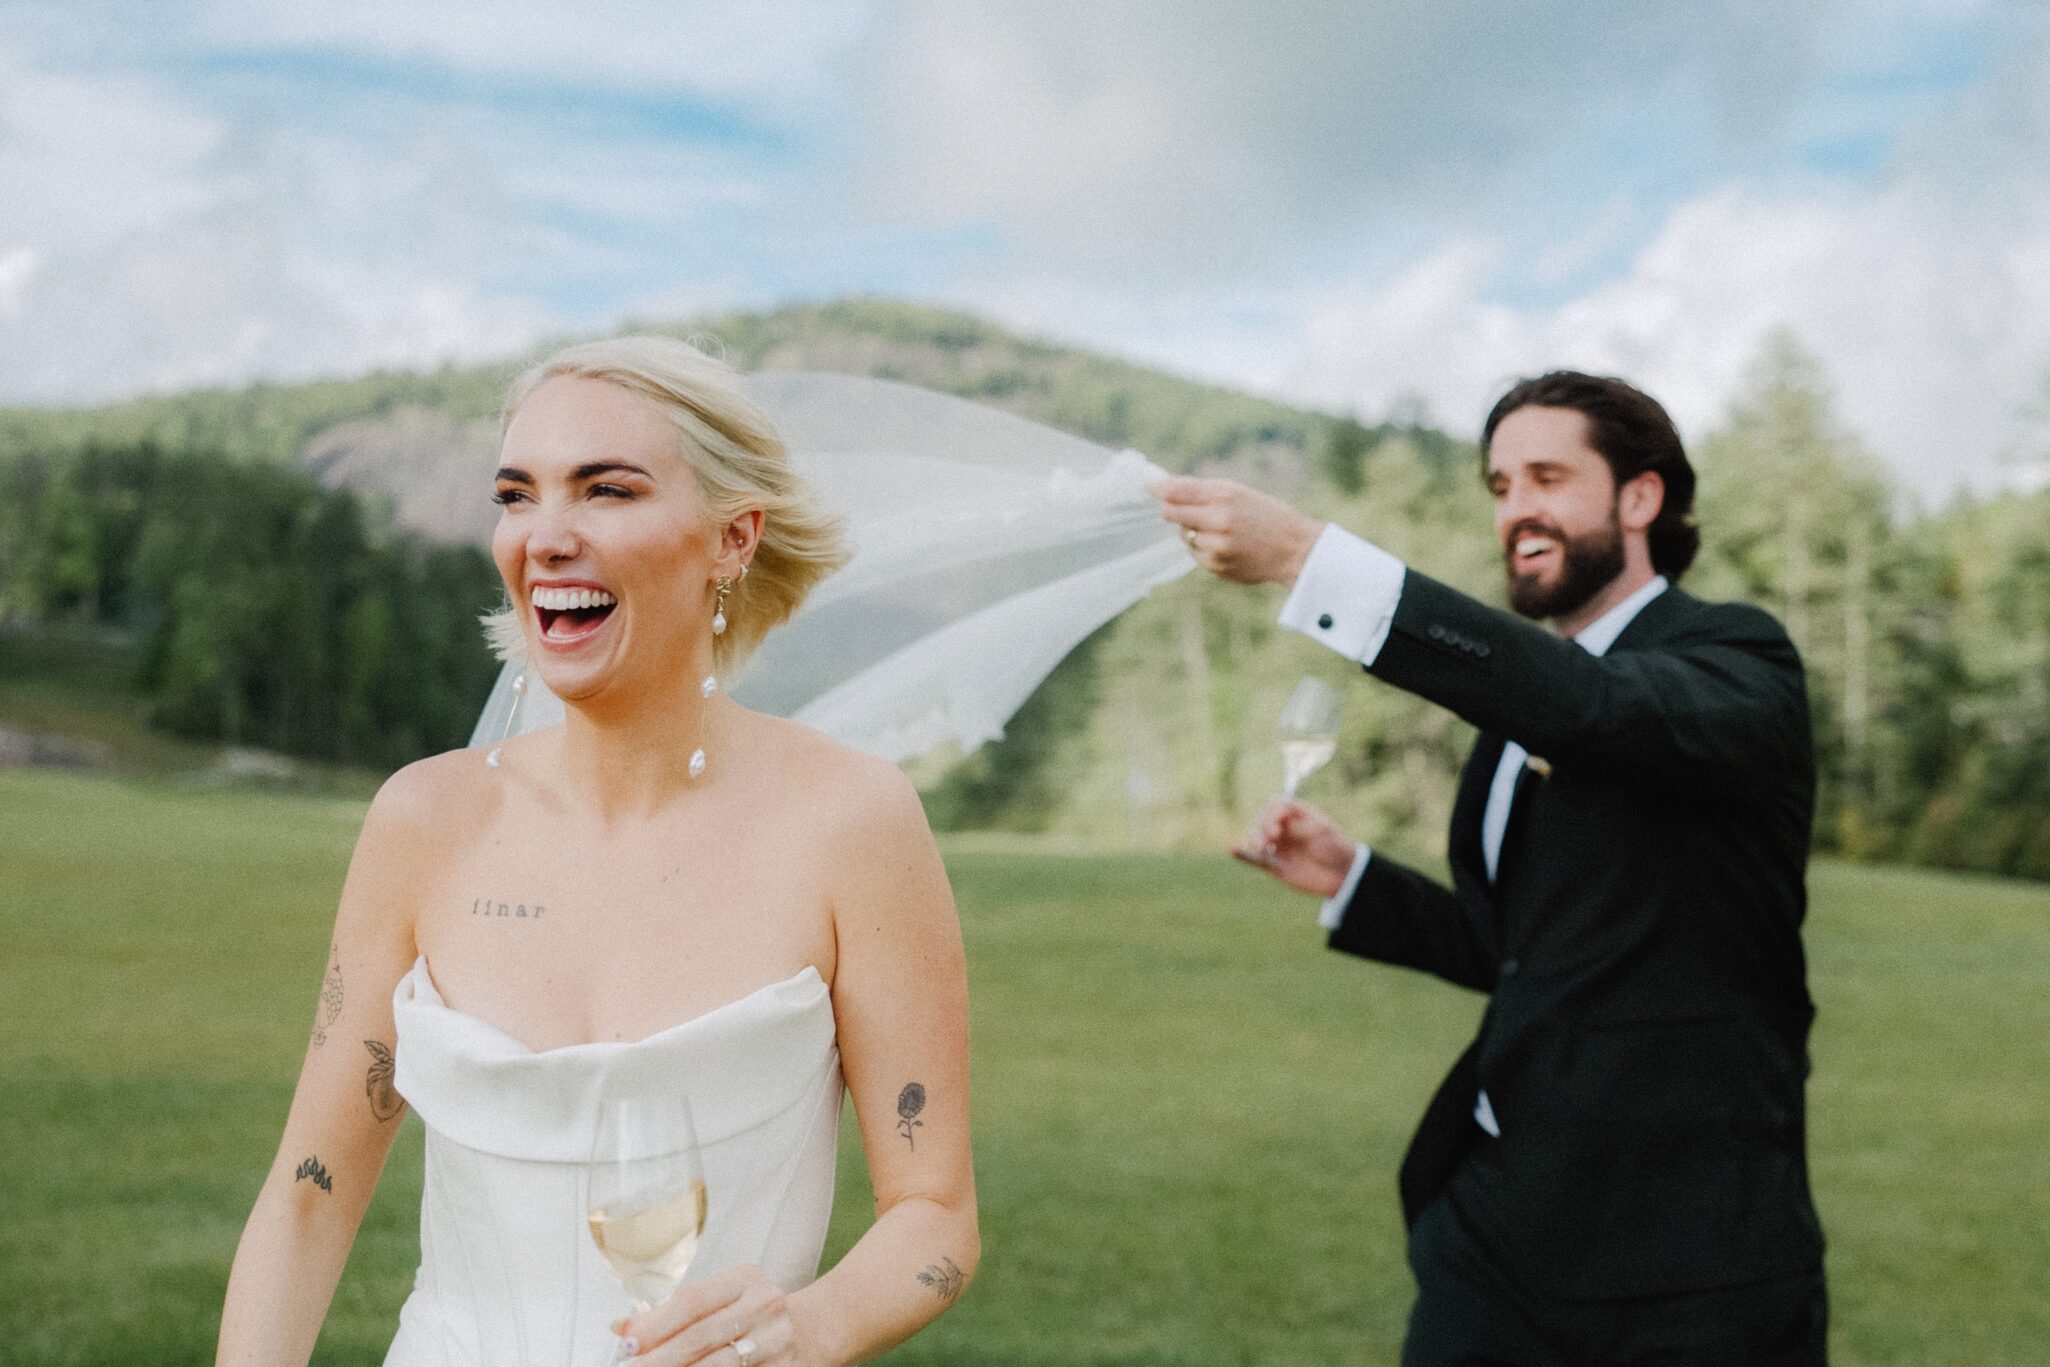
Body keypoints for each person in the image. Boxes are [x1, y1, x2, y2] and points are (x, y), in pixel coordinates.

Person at [217, 337, 980, 1367]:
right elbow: (309, 1196)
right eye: (517, 494)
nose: (546, 536)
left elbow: (934, 1212)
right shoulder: (423, 821)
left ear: (732, 538)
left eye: (606, 491)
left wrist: (812, 1323)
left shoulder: (852, 822)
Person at [1153, 372, 1828, 1366]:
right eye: (1501, 484)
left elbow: (1597, 710)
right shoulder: (1521, 710)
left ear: (1639, 497)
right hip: (1495, 1230)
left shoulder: (1735, 657)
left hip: (1688, 1262)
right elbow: (1525, 950)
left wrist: (1307, 558)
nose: (1516, 508)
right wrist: (1354, 876)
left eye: (1547, 476)